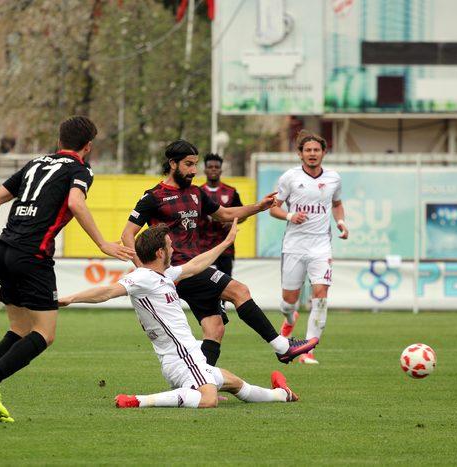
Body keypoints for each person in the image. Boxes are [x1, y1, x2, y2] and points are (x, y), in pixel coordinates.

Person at [0, 116, 135, 423]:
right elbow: (76, 203)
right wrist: (103, 243)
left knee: (19, 329)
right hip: (33, 255)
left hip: (5, 249)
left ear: (59, 141)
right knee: (44, 334)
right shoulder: (80, 169)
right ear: (88, 146)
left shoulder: (34, 164)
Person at [60, 221, 300, 409]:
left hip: (189, 355)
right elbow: (108, 291)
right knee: (208, 399)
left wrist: (226, 241)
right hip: (181, 357)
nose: (173, 248)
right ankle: (138, 400)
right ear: (159, 253)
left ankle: (281, 394)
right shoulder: (142, 276)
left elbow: (196, 265)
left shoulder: (164, 275)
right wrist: (71, 298)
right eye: (169, 245)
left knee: (235, 384)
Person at [121, 139, 318, 367]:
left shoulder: (196, 193)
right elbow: (127, 234)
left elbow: (224, 214)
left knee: (214, 328)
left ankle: (202, 383)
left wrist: (258, 207)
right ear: (173, 164)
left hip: (196, 267)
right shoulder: (153, 197)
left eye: (195, 164)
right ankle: (282, 348)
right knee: (239, 291)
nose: (194, 170)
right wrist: (148, 272)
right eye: (188, 164)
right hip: (178, 270)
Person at [269, 130, 349, 365]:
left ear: (324, 152)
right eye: (308, 150)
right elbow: (274, 208)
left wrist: (341, 222)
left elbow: (337, 204)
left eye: (316, 150)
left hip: (321, 247)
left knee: (321, 296)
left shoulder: (334, 178)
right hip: (294, 246)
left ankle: (307, 350)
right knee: (288, 301)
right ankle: (289, 317)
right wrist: (290, 215)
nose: (312, 154)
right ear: (300, 153)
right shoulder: (289, 178)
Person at [199, 153, 244, 314]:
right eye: (210, 167)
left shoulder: (231, 192)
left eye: (216, 167)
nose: (213, 170)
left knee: (224, 280)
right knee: (206, 279)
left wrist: (232, 221)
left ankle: (221, 308)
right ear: (204, 169)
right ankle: (210, 307)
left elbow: (242, 214)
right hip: (203, 247)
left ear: (221, 170)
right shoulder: (198, 192)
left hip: (226, 247)